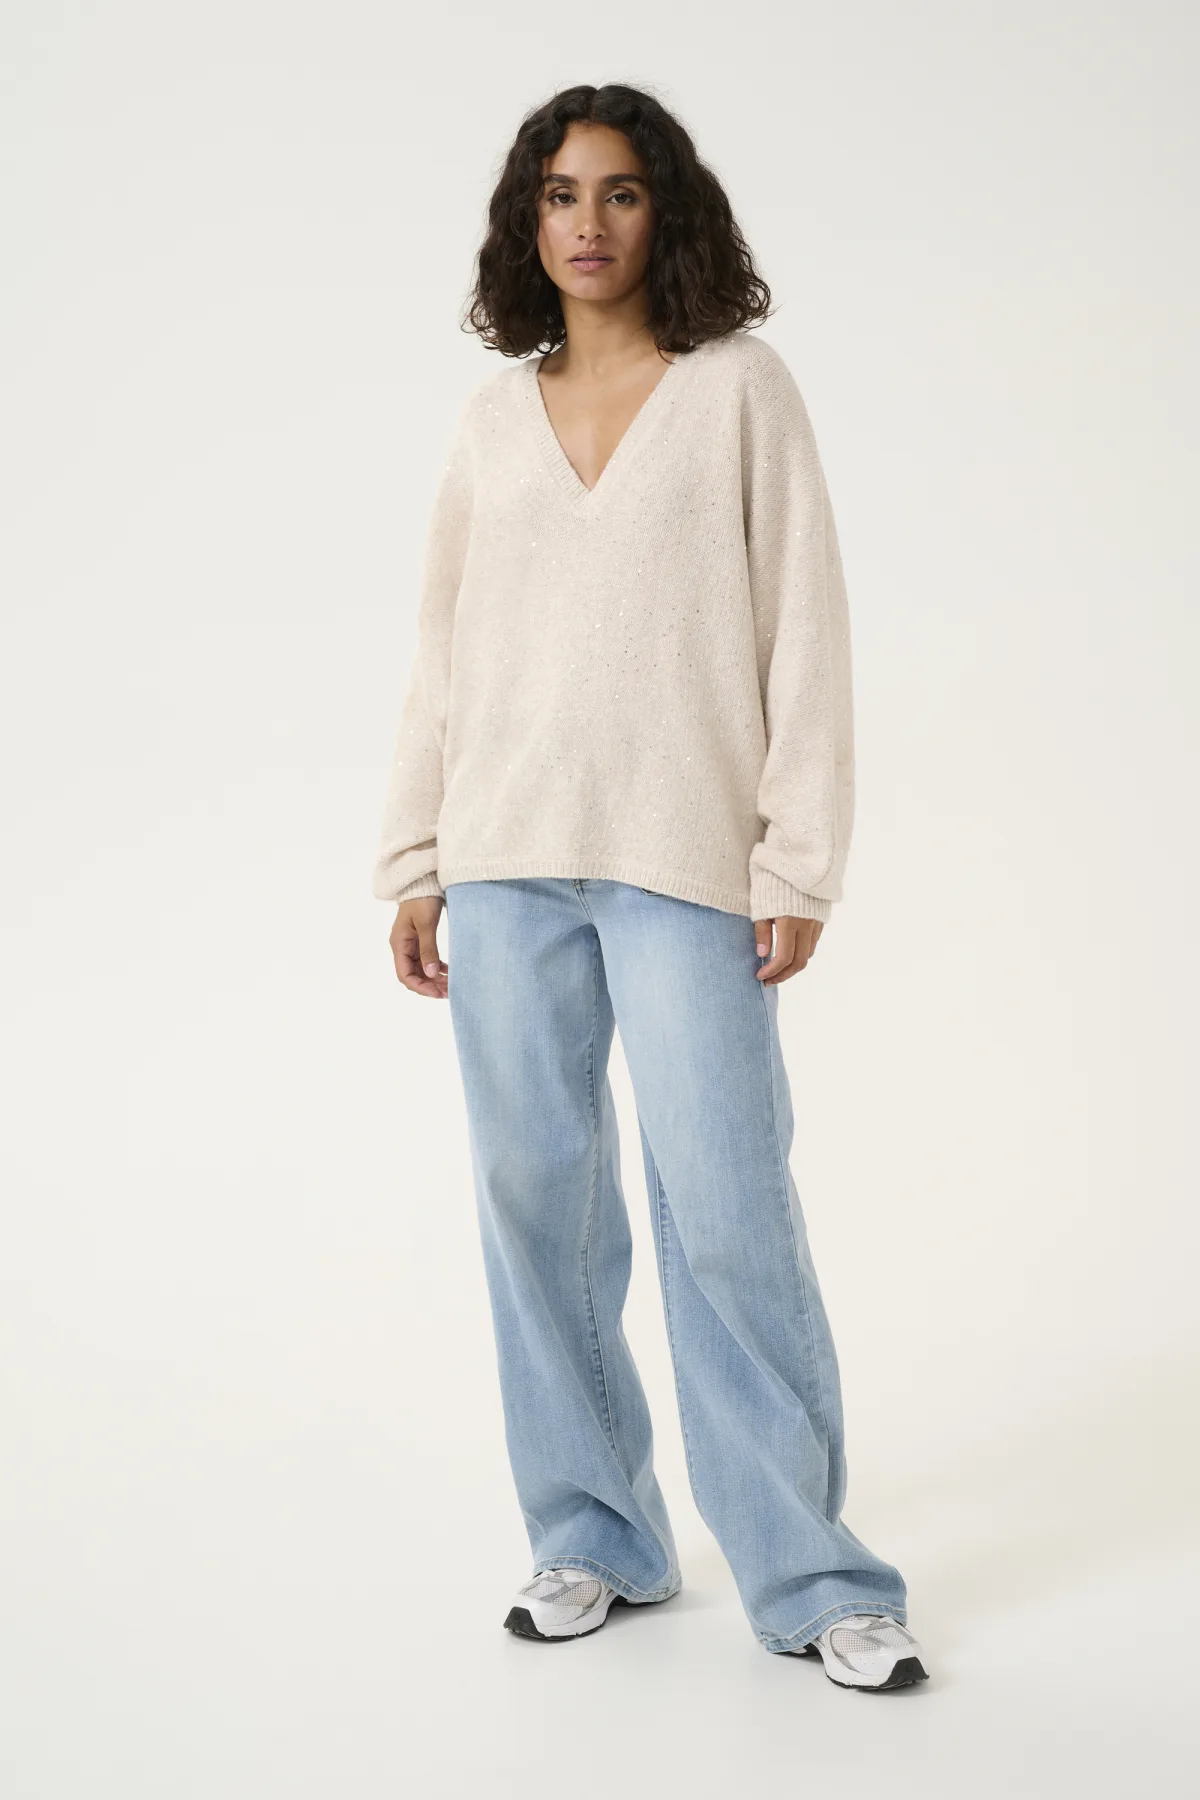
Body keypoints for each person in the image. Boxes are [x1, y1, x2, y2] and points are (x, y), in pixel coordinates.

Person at [370, 82, 928, 1692]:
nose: (589, 223)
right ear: (527, 221)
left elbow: (805, 622)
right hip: (505, 859)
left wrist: (797, 853)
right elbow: (440, 653)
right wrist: (415, 856)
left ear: (664, 209)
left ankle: (813, 1574)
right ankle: (595, 1532)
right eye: (561, 194)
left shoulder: (740, 390)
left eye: (619, 191)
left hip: (685, 857)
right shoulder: (492, 421)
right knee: (536, 1204)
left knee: (727, 1210)